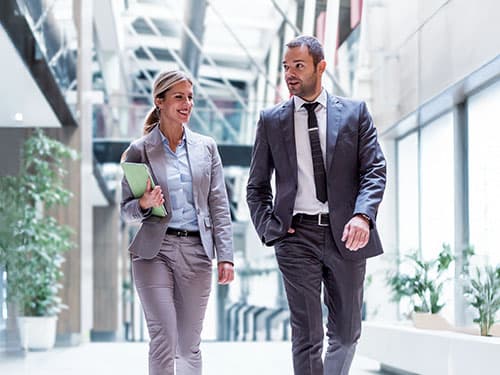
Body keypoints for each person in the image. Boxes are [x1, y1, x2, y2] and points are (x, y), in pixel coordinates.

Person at [246, 36, 386, 375]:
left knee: (347, 332)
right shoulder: (271, 120)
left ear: (321, 67)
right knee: (306, 336)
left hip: (348, 234)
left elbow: (374, 170)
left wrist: (363, 216)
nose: (290, 74)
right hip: (296, 237)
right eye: (285, 67)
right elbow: (257, 187)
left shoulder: (354, 113)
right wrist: (272, 230)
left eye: (298, 66)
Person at [120, 70, 234, 375]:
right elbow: (125, 211)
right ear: (160, 101)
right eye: (179, 97)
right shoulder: (139, 150)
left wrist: (226, 257)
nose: (187, 104)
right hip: (154, 252)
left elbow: (219, 205)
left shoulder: (206, 147)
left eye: (191, 97)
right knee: (164, 339)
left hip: (197, 252)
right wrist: (144, 203)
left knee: (188, 345)